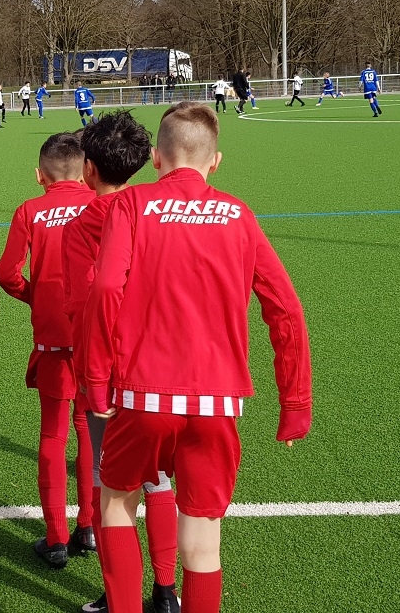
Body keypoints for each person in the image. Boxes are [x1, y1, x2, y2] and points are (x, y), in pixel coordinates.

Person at [85, 102, 313, 613]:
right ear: (215, 161)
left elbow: (104, 289)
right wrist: (295, 403)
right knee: (203, 540)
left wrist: (96, 379)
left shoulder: (131, 204)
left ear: (156, 158)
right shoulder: (239, 214)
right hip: (217, 401)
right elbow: (286, 308)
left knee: (117, 503)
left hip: (142, 395)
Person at [61, 112, 178, 613]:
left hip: (108, 371)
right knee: (159, 479)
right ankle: (167, 591)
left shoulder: (82, 226)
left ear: (88, 168)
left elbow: (82, 305)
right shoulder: (157, 213)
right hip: (161, 362)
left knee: (111, 487)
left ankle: (120, 597)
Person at [0, 133, 96, 569]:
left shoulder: (30, 210)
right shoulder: (103, 202)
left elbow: (6, 272)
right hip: (96, 334)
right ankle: (89, 526)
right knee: (89, 429)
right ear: (86, 171)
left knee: (54, 434)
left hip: (54, 334)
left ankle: (56, 538)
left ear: (40, 175)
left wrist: (37, 296)